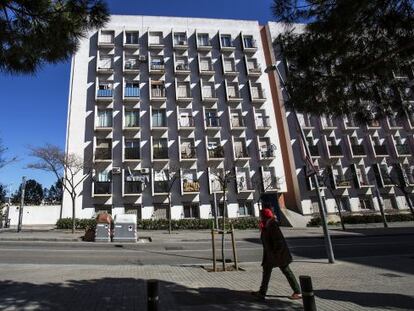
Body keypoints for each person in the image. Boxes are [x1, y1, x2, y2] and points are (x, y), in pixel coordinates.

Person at [252, 207, 302, 300]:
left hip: (278, 254)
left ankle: (298, 292)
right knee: (267, 271)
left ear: (265, 216)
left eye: (261, 215)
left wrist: (276, 254)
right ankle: (262, 292)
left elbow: (278, 241)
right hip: (270, 254)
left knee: (286, 271)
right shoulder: (267, 224)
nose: (260, 217)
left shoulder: (272, 225)